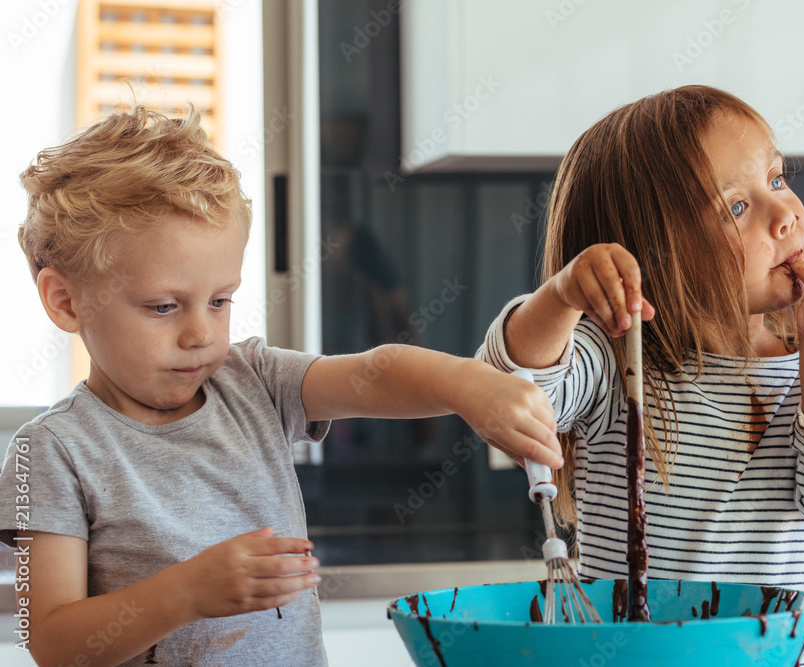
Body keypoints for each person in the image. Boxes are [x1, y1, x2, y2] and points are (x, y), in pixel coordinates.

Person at [0, 105, 563, 667]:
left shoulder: (253, 383)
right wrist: (187, 593)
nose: (200, 333)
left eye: (220, 301)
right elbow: (51, 641)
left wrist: (470, 385)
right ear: (66, 301)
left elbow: (374, 373)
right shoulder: (50, 452)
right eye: (164, 306)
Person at [476, 85, 804, 666]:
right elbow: (511, 391)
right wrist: (561, 296)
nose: (786, 216)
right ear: (656, 252)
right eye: (736, 206)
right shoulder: (617, 366)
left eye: (776, 180)